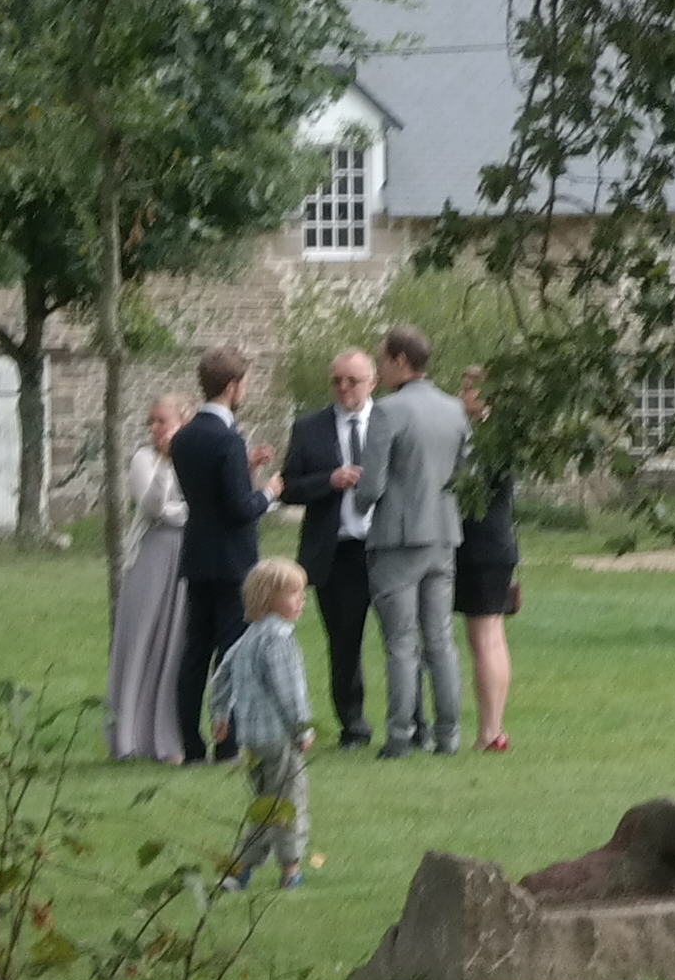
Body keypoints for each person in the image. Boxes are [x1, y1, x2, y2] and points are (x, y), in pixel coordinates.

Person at [356, 325, 469, 757]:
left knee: (401, 642)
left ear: (401, 361)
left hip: (397, 536)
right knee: (440, 639)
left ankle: (400, 735)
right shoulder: (454, 409)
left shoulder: (387, 411)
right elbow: (464, 471)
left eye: (382, 359)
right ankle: (448, 734)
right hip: (442, 532)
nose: (379, 367)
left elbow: (371, 485)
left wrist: (360, 497)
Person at [162, 349, 266, 758]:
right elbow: (240, 507)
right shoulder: (228, 438)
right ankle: (228, 743)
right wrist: (269, 493)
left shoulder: (184, 436)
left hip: (197, 552)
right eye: (245, 384)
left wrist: (246, 469)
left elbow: (208, 492)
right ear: (231, 387)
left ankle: (190, 744)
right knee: (232, 653)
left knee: (195, 652)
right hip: (233, 559)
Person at [201, 559, 317, 892]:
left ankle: (239, 870)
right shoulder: (278, 640)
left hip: (251, 740)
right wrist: (303, 729)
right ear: (268, 598)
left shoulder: (249, 636)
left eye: (301, 593)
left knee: (264, 804)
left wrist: (220, 714)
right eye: (293, 593)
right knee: (288, 803)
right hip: (280, 739)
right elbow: (289, 691)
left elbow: (221, 675)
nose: (301, 600)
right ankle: (290, 868)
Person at [280, 347, 379, 733]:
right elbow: (288, 487)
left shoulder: (388, 422)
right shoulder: (310, 427)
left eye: (352, 380)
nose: (343, 388)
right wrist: (328, 481)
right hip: (336, 550)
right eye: (336, 380)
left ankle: (412, 722)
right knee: (343, 641)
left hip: (384, 547)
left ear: (371, 382)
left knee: (403, 641)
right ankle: (352, 723)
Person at [105, 387, 197, 764]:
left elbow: (203, 503)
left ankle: (167, 738)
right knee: (139, 637)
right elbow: (155, 508)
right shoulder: (144, 459)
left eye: (164, 421)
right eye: (152, 422)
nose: (156, 428)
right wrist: (165, 465)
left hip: (187, 557)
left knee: (175, 643)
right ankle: (126, 738)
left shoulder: (194, 456)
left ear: (183, 422)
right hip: (150, 554)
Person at [449, 366, 527, 751]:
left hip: (479, 543)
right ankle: (493, 728)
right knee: (491, 635)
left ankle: (489, 730)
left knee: (484, 638)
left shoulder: (484, 441)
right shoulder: (503, 436)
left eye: (468, 389)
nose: (461, 395)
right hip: (498, 542)